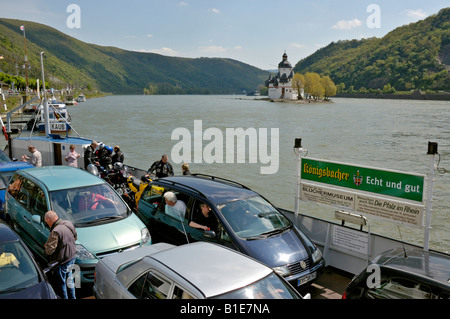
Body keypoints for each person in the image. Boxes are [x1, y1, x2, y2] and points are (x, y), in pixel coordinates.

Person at [44, 211, 77, 299]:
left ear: (48, 219)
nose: (47, 224)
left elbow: (49, 250)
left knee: (61, 283)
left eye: (46, 222)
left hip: (63, 261)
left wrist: (46, 246)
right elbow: (75, 237)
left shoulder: (56, 231)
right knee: (70, 280)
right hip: (72, 256)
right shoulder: (68, 223)